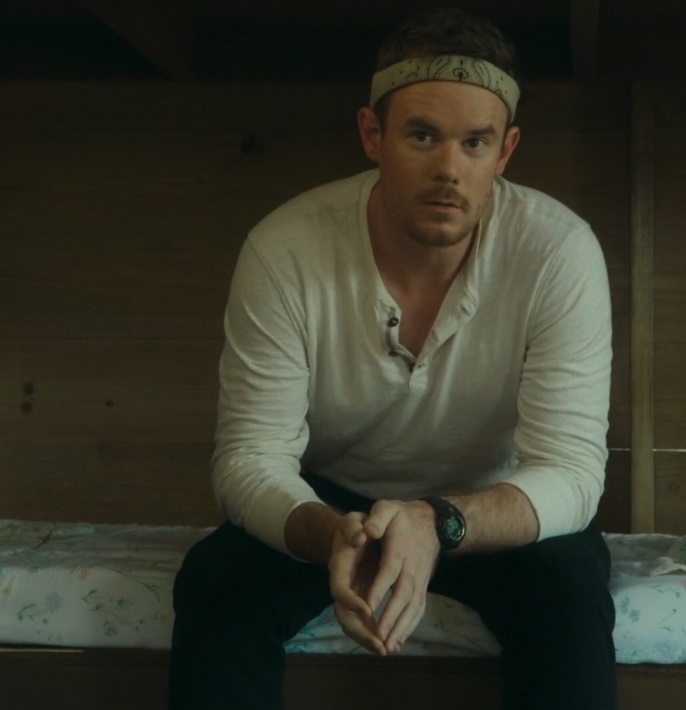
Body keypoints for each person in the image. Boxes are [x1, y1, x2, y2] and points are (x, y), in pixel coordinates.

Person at [168, 8, 615, 709]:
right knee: (215, 582)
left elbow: (573, 473)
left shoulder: (559, 252)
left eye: (475, 143)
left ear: (505, 151)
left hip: (489, 507)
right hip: (336, 506)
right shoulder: (285, 250)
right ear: (372, 136)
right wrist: (333, 534)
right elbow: (249, 459)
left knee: (572, 590)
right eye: (422, 135)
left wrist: (436, 521)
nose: (449, 169)